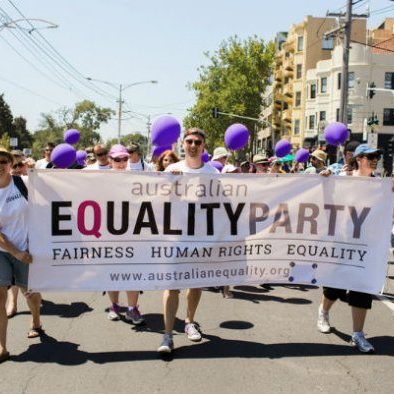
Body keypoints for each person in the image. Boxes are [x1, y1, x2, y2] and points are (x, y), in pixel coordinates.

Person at [157, 127, 219, 354]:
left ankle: (190, 321)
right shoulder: (172, 169)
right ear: (183, 144)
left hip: (200, 239)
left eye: (198, 142)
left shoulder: (213, 173)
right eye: (189, 141)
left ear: (203, 146)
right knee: (171, 286)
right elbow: (156, 202)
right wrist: (169, 185)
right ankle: (167, 335)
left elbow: (223, 205)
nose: (193, 145)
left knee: (195, 283)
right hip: (174, 239)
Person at [317, 143, 382, 353]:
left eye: (376, 157)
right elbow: (323, 196)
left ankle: (358, 334)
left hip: (365, 245)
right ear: (359, 159)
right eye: (370, 156)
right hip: (341, 242)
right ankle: (323, 311)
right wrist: (325, 179)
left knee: (361, 289)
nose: (374, 160)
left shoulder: (380, 185)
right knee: (335, 287)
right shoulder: (342, 178)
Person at [0, 148, 43, 364]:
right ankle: (2, 346)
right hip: (3, 251)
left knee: (31, 294)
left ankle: (36, 321)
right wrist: (15, 252)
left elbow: (50, 194)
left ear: (10, 163)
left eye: (3, 161)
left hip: (27, 248)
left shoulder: (22, 183)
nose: (0, 165)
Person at [105, 144, 144, 325]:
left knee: (133, 271)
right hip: (109, 234)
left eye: (124, 159)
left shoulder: (137, 179)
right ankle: (114, 305)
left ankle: (132, 308)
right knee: (112, 273)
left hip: (132, 232)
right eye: (117, 159)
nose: (121, 163)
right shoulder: (98, 179)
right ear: (110, 160)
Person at [5, 151, 29, 318]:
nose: (16, 169)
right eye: (15, 166)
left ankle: (36, 320)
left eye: (20, 165)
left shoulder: (25, 182)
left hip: (26, 243)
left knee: (28, 289)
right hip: (4, 247)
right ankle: (12, 303)